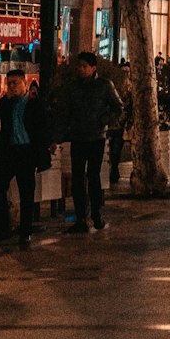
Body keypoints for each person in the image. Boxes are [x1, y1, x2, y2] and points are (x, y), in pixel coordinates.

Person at [54, 51, 123, 233]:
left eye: (85, 66)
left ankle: (96, 215)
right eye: (80, 66)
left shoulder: (104, 85)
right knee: (78, 178)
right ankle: (80, 218)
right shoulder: (72, 87)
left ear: (94, 68)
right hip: (78, 137)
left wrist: (104, 120)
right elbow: (63, 113)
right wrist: (58, 137)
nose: (81, 69)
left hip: (96, 137)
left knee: (93, 176)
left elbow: (118, 107)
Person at [0, 72, 51, 248]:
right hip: (7, 153)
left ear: (25, 83)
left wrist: (41, 154)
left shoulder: (34, 104)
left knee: (26, 194)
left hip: (26, 153)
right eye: (9, 83)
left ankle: (25, 233)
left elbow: (43, 129)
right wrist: (5, 99)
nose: (12, 86)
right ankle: (2, 230)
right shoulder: (7, 103)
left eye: (15, 83)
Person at [107, 61, 132, 185]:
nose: (125, 74)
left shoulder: (129, 87)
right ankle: (113, 169)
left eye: (127, 72)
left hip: (120, 123)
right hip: (115, 123)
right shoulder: (114, 87)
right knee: (113, 147)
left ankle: (114, 169)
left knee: (116, 147)